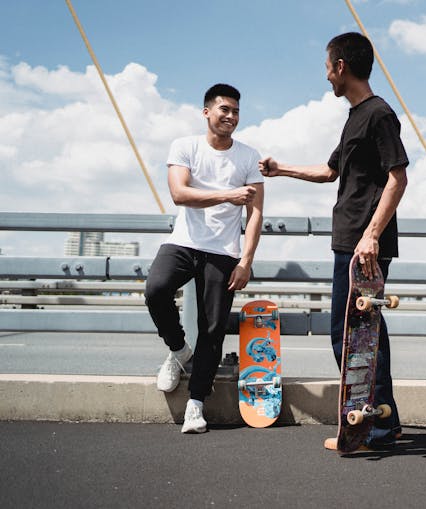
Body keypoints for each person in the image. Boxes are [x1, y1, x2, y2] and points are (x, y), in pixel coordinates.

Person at [260, 32, 408, 449]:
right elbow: (330, 172)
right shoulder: (354, 117)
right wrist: (281, 168)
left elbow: (398, 177)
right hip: (349, 240)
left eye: (328, 67)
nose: (326, 76)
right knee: (363, 331)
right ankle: (384, 419)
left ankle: (373, 424)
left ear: (341, 66)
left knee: (350, 334)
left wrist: (371, 237)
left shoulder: (379, 114)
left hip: (363, 243)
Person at [145, 83, 265, 434]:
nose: (230, 116)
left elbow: (256, 214)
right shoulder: (185, 146)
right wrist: (229, 195)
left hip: (224, 252)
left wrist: (245, 260)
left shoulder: (247, 155)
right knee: (156, 289)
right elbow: (179, 194)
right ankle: (179, 351)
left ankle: (196, 405)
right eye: (224, 109)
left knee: (213, 328)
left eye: (236, 111)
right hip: (184, 242)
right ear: (207, 112)